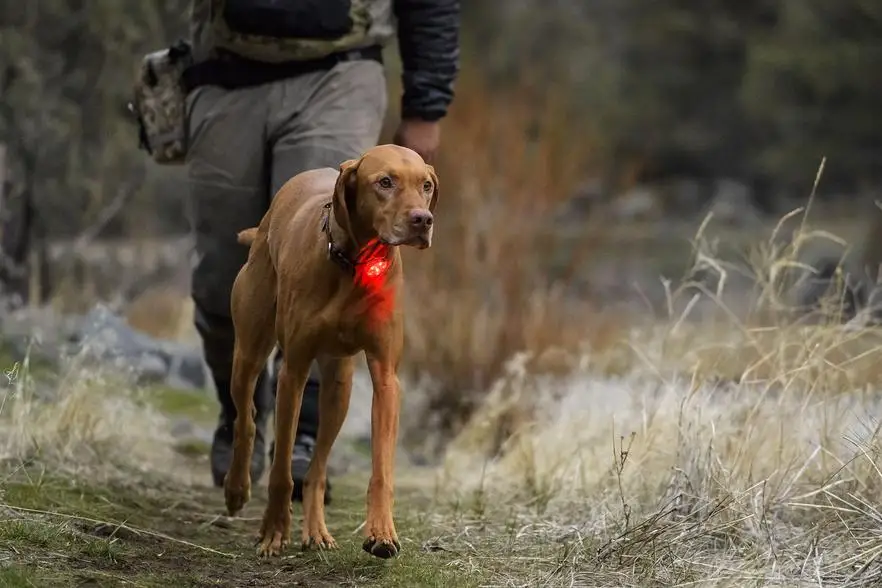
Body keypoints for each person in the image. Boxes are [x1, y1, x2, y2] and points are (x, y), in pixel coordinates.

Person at [182, 0, 460, 503]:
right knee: (225, 269)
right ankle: (241, 414)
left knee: (337, 255)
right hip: (225, 69)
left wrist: (426, 105)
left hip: (339, 70)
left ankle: (308, 440)